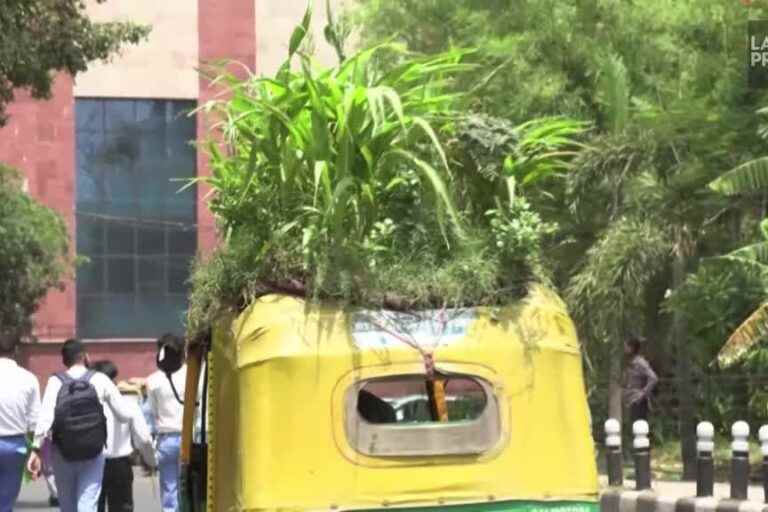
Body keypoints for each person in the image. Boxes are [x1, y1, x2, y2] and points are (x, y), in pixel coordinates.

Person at [27, 339, 135, 512]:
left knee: (67, 505)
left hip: (62, 452)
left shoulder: (55, 382)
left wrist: (36, 449)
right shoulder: (100, 379)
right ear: (85, 356)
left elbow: (45, 419)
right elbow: (124, 416)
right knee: (88, 504)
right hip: (93, 451)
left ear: (64, 360)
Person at [90, 360, 156, 512]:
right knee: (121, 508)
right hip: (120, 465)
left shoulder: (86, 404)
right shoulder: (129, 403)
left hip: (92, 463)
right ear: (114, 379)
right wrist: (150, 460)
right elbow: (144, 438)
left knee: (92, 507)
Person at [145, 334, 187, 512]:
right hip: (190, 439)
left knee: (169, 488)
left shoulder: (153, 380)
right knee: (190, 486)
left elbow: (152, 413)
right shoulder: (192, 374)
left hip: (166, 440)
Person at [0, 334, 40, 512]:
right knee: (6, 501)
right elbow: (35, 419)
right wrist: (36, 450)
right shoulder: (29, 378)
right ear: (16, 351)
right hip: (15, 446)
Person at [623, 335, 658, 426]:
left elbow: (653, 378)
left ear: (632, 348)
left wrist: (642, 393)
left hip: (639, 401)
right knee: (635, 428)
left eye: (626, 346)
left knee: (639, 428)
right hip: (632, 400)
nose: (624, 348)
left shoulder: (640, 362)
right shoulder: (631, 362)